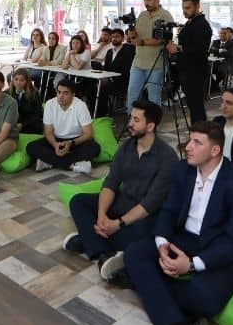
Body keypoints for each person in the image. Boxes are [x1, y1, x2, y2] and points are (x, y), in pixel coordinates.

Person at [121, 121, 233, 325]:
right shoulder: (184, 169)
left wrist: (192, 265)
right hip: (186, 238)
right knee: (135, 254)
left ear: (215, 150)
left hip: (222, 246)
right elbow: (169, 210)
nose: (188, 146)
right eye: (189, 139)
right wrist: (162, 243)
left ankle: (144, 282)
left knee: (204, 299)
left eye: (196, 142)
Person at [64, 100, 178, 280]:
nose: (130, 123)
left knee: (143, 235)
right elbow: (111, 183)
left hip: (144, 216)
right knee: (78, 201)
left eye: (136, 120)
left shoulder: (168, 158)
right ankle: (103, 252)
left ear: (150, 126)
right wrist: (102, 215)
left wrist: (117, 225)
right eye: (131, 118)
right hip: (122, 202)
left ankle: (87, 240)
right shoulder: (126, 147)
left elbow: (149, 204)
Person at [26, 79, 100, 174]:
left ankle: (50, 162)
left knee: (94, 148)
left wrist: (70, 143)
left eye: (65, 93)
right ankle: (72, 165)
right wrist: (55, 145)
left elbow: (88, 133)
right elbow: (48, 132)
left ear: (73, 95)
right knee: (31, 147)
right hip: (56, 141)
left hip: (75, 142)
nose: (61, 96)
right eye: (59, 92)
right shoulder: (49, 104)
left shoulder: (81, 106)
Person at [166, 0, 212, 124]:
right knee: (193, 105)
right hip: (186, 69)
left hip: (195, 71)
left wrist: (178, 48)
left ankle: (200, 133)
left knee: (196, 107)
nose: (184, 11)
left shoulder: (201, 25)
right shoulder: (190, 23)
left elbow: (200, 50)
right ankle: (197, 132)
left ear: (197, 6)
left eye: (188, 8)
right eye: (183, 8)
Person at [126, 0, 175, 108]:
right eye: (145, 0)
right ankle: (131, 118)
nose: (146, 2)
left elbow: (162, 39)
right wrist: (131, 27)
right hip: (138, 62)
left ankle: (153, 120)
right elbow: (134, 37)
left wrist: (142, 42)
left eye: (149, 0)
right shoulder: (142, 15)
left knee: (153, 97)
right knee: (132, 94)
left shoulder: (165, 15)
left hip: (156, 64)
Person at [7, 69, 43, 134]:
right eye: (16, 79)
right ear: (12, 80)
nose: (18, 82)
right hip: (11, 123)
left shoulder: (34, 94)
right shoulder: (7, 93)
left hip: (29, 123)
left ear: (27, 81)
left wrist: (22, 124)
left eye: (22, 80)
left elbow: (37, 113)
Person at [208, 27, 233, 92]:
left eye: (224, 33)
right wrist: (220, 50)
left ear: (228, 34)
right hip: (215, 63)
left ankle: (214, 86)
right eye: (221, 33)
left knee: (221, 69)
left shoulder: (232, 43)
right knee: (206, 68)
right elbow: (210, 50)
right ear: (219, 34)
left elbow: (230, 54)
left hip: (227, 64)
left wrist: (216, 51)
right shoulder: (215, 42)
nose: (222, 35)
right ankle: (213, 86)